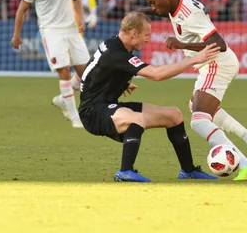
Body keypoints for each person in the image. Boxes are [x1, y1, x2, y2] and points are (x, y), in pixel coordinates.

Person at [142, 0, 247, 181]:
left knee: (199, 122)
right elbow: (169, 13)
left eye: (153, 2)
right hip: (212, 65)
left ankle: (245, 164)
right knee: (196, 106)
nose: (153, 7)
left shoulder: (189, 13)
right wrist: (143, 11)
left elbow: (219, 44)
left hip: (216, 64)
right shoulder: (176, 4)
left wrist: (181, 45)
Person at [78, 12, 220, 182]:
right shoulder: (116, 53)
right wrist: (194, 60)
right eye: (146, 35)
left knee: (174, 115)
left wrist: (119, 84)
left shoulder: (114, 45)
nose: (148, 40)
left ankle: (188, 170)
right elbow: (156, 74)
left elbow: (91, 70)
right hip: (92, 112)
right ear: (134, 33)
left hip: (106, 105)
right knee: (137, 119)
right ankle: (125, 171)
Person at [11, 0, 90, 129]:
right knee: (64, 72)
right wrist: (17, 34)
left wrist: (81, 18)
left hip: (71, 30)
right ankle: (75, 117)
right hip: (52, 32)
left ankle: (63, 99)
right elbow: (22, 10)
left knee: (86, 74)